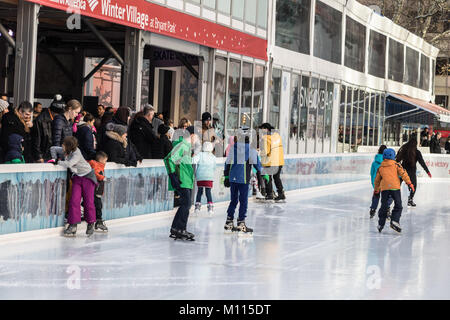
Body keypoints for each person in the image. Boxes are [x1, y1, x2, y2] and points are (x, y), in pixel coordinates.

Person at [50, 136, 98, 237]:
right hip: (77, 177)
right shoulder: (65, 150)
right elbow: (53, 148)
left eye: (64, 144)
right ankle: (73, 225)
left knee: (88, 201)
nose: (62, 146)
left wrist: (58, 162)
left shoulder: (76, 153)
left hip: (88, 177)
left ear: (69, 146)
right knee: (74, 201)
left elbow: (69, 163)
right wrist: (54, 158)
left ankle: (91, 223)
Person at [223, 127, 267, 234]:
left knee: (233, 200)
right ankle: (241, 223)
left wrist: (227, 176)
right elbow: (258, 165)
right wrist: (265, 175)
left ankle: (229, 221)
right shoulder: (251, 150)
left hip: (233, 178)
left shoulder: (233, 148)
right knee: (243, 201)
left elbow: (227, 163)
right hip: (243, 179)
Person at [164, 126, 196, 240]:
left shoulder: (186, 147)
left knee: (185, 204)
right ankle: (180, 229)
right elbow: (169, 159)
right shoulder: (182, 145)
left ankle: (175, 228)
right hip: (182, 180)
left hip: (186, 180)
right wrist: (173, 176)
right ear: (192, 135)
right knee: (186, 204)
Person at [374, 148, 414, 234]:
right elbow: (403, 174)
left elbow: (377, 180)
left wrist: (376, 190)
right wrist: (409, 183)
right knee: (398, 205)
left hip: (384, 189)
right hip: (395, 188)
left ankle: (381, 224)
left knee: (384, 207)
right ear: (393, 156)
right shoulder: (396, 165)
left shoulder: (381, 167)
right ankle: (395, 220)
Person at [396, 134, 432, 207]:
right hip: (411, 172)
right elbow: (422, 163)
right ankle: (410, 199)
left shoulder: (404, 150)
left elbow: (397, 160)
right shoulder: (417, 152)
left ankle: (394, 198)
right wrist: (427, 172)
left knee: (397, 184)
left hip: (402, 170)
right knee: (413, 186)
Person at [31, 95, 65, 162]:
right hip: (43, 156)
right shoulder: (40, 120)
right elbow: (36, 139)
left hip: (51, 154)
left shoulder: (58, 119)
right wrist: (39, 156)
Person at [259, 123, 286, 202]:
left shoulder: (266, 138)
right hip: (279, 161)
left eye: (262, 129)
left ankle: (269, 194)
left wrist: (260, 152)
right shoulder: (277, 136)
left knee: (268, 178)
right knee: (277, 178)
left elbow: (266, 151)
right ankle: (281, 194)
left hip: (270, 161)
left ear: (266, 129)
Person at [193, 141, 217, 215]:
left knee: (199, 191)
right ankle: (210, 208)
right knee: (208, 192)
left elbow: (193, 160)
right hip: (209, 177)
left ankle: (197, 207)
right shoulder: (213, 157)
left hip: (200, 176)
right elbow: (214, 167)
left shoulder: (200, 154)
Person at [369, 145, 393, 218]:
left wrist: (373, 183)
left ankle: (373, 209)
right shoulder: (389, 162)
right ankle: (387, 208)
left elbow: (371, 173)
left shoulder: (374, 162)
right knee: (390, 196)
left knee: (376, 196)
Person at [88, 151, 108, 232]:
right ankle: (98, 221)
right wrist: (102, 177)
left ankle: (98, 221)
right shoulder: (96, 165)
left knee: (98, 205)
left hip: (98, 191)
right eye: (105, 161)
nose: (106, 163)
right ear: (101, 160)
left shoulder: (100, 166)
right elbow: (95, 173)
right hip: (95, 191)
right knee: (98, 206)